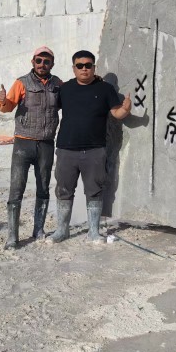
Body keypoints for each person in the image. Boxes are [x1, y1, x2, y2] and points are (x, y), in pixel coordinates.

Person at [47, 50, 131, 245]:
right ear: (73, 68)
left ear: (94, 67)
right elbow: (48, 109)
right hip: (66, 149)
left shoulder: (105, 89)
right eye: (80, 65)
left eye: (88, 65)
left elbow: (116, 113)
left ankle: (93, 232)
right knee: (63, 190)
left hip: (95, 150)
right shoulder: (65, 89)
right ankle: (62, 230)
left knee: (94, 191)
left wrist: (126, 109)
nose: (84, 69)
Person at [0, 46, 62, 250]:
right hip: (23, 144)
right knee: (16, 189)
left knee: (43, 188)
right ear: (32, 62)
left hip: (46, 144)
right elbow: (7, 107)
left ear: (52, 64)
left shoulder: (58, 84)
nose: (42, 64)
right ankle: (12, 237)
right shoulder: (22, 82)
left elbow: (72, 99)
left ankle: (38, 230)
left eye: (47, 61)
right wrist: (2, 100)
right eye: (39, 60)